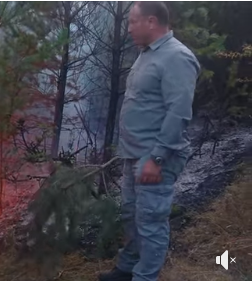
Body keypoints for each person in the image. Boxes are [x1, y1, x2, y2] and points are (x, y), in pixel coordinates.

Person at [98, 2, 200, 281]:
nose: (128, 28)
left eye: (132, 22)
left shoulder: (177, 57)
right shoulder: (147, 54)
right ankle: (128, 268)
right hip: (134, 153)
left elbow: (178, 113)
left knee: (151, 221)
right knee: (132, 215)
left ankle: (145, 277)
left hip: (155, 156)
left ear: (151, 21)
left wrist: (157, 158)